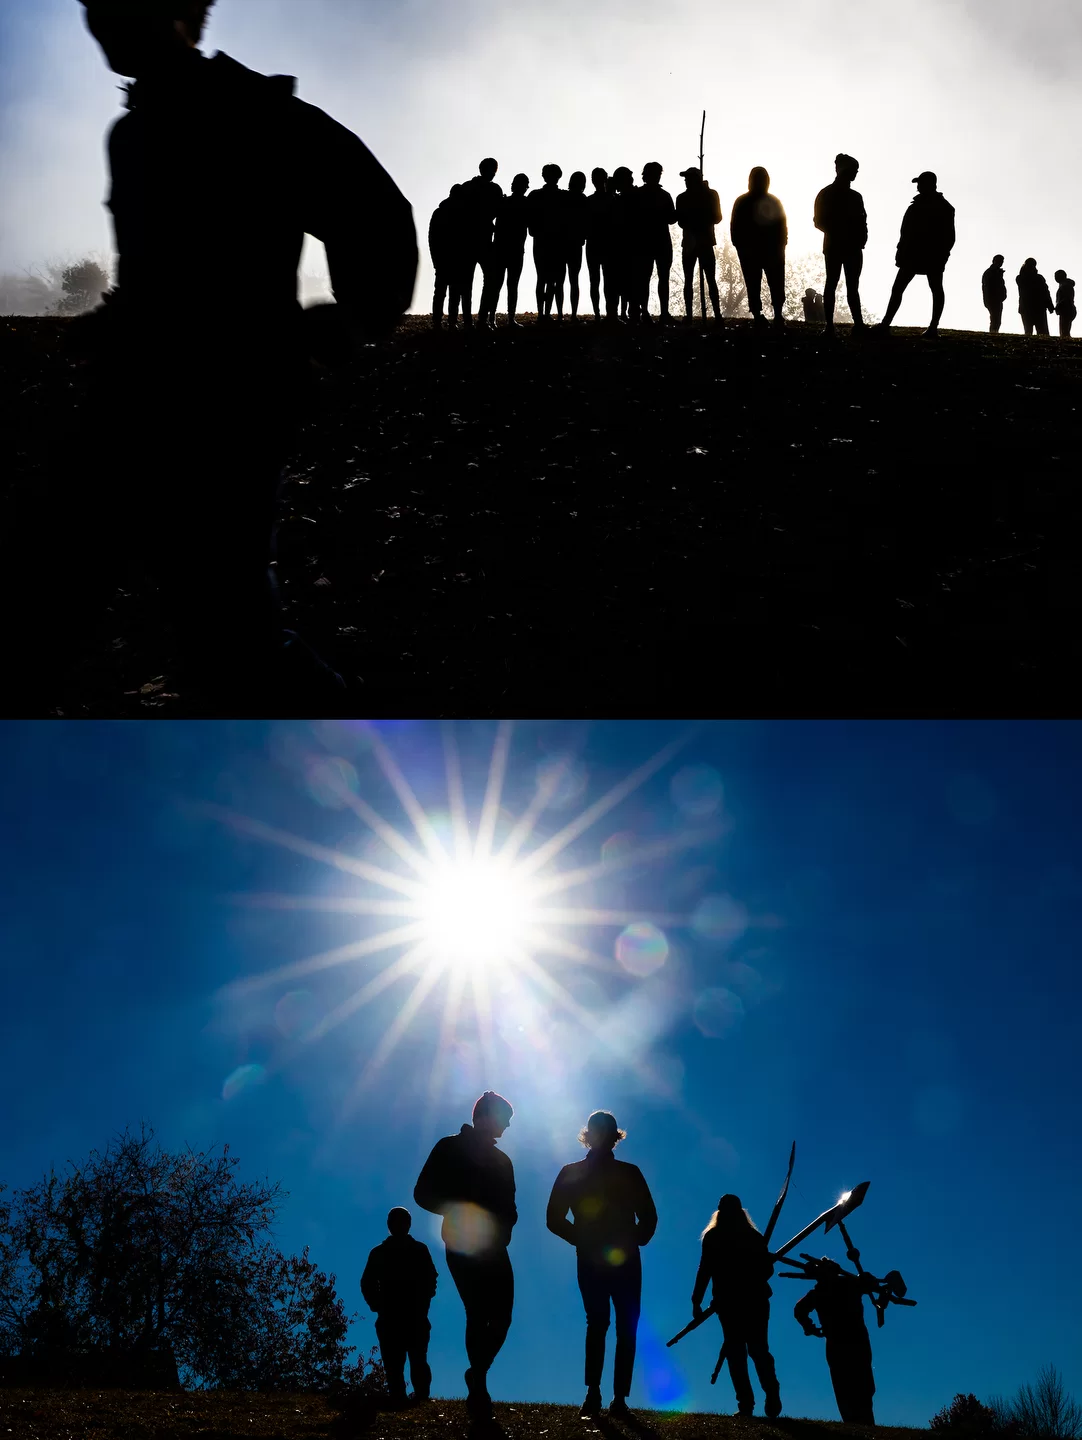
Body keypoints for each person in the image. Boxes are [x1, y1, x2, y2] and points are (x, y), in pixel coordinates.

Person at [31, 0, 416, 714]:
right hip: (133, 396)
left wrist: (353, 322)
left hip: (229, 408)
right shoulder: (137, 130)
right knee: (58, 595)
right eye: (94, 7)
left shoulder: (258, 116)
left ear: (182, 12)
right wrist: (119, 319)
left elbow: (377, 212)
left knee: (227, 634)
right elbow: (169, 268)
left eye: (125, 5)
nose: (106, 23)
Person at [546, 1111, 657, 1420]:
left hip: (615, 1258)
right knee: (605, 1325)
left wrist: (632, 1239)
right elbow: (553, 1219)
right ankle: (599, 1393)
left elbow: (649, 1217)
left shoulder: (626, 1172)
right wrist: (582, 1240)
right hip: (602, 1257)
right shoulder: (576, 1172)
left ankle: (613, 1397)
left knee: (613, 1325)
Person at [414, 1092, 517, 1422]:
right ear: (487, 1116)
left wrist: (504, 1228)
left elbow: (511, 1207)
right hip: (460, 1242)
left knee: (502, 1316)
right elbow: (423, 1193)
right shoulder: (449, 1147)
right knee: (477, 1311)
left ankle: (477, 1372)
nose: (509, 1124)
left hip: (495, 1247)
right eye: (505, 1117)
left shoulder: (504, 1162)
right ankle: (480, 1387)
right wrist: (458, 1210)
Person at [691, 1193, 782, 1420]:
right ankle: (747, 1404)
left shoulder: (750, 1237)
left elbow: (766, 1270)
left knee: (754, 1350)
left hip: (751, 1301)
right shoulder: (723, 1237)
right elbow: (705, 1269)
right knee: (740, 1352)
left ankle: (766, 1396)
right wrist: (696, 1300)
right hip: (730, 1303)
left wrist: (697, 1300)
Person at [361, 1208, 438, 1406]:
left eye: (402, 1221)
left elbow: (431, 1280)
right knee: (395, 1362)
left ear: (408, 1224)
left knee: (416, 1360)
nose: (398, 1225)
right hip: (392, 1316)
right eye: (394, 1221)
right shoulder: (379, 1253)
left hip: (413, 1315)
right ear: (389, 1225)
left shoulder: (419, 1250)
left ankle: (419, 1396)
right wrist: (378, 1306)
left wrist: (423, 1305)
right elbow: (367, 1283)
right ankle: (400, 1396)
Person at [793, 1257, 879, 1425]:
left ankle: (862, 1422)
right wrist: (809, 1327)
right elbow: (799, 1310)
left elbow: (871, 1283)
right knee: (848, 1384)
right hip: (846, 1340)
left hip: (850, 1340)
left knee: (857, 1383)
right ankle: (857, 1423)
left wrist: (809, 1327)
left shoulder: (844, 1285)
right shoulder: (842, 1286)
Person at [877, 171, 956, 338]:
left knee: (925, 288)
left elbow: (949, 236)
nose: (918, 186)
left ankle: (930, 327)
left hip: (924, 255)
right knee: (906, 288)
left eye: (920, 183)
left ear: (928, 184)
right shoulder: (938, 206)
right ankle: (888, 323)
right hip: (916, 254)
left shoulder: (941, 207)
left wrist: (943, 254)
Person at [813, 154, 867, 338]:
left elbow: (862, 221)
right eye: (854, 170)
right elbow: (819, 221)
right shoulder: (835, 194)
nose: (856, 174)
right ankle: (838, 325)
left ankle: (846, 325)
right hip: (841, 246)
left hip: (842, 246)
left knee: (840, 285)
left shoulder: (830, 193)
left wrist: (861, 239)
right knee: (839, 284)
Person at [730, 167, 788, 330]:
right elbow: (782, 227)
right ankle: (771, 314)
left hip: (760, 251)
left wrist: (781, 244)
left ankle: (766, 315)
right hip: (765, 251)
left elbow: (735, 228)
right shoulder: (773, 201)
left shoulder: (742, 201)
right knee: (769, 283)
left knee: (758, 283)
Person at [477, 173, 530, 328]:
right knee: (511, 285)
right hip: (515, 250)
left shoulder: (504, 202)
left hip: (501, 248)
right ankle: (508, 319)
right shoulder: (525, 204)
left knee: (496, 285)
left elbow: (490, 219)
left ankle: (492, 318)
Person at [674, 166, 722, 322]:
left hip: (704, 241)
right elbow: (680, 221)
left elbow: (717, 217)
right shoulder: (682, 198)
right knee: (689, 279)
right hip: (690, 242)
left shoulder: (710, 195)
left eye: (689, 179)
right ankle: (689, 315)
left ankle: (717, 314)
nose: (686, 181)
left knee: (710, 279)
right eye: (686, 179)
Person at [460, 157, 503, 328]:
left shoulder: (467, 187)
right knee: (490, 279)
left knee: (467, 282)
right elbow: (498, 211)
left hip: (468, 239)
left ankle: (469, 321)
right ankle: (482, 319)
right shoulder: (494, 189)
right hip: (484, 239)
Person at [635, 162, 676, 322]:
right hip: (659, 241)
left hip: (646, 241)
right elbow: (672, 219)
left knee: (646, 277)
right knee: (659, 277)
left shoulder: (638, 194)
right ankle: (660, 313)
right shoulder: (663, 195)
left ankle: (646, 312)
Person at [527, 164, 567, 320]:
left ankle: (543, 313)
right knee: (550, 279)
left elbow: (530, 221)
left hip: (543, 241)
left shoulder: (535, 195)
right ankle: (546, 313)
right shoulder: (563, 196)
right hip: (554, 241)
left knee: (543, 278)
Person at [585, 168, 618, 321]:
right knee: (606, 281)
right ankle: (608, 314)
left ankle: (601, 314)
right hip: (606, 244)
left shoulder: (590, 201)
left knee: (598, 281)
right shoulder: (612, 200)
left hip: (597, 244)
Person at [431, 184, 465, 329]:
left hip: (442, 258)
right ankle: (452, 322)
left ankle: (438, 322)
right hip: (454, 258)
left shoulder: (439, 212)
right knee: (453, 292)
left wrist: (435, 259)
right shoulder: (461, 214)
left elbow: (432, 238)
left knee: (441, 292)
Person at [609, 166, 637, 320]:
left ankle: (626, 313)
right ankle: (627, 314)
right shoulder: (631, 197)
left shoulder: (620, 200)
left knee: (625, 281)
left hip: (625, 245)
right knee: (627, 282)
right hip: (626, 245)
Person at [562, 171, 589, 319]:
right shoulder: (583, 199)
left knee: (559, 280)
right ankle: (573, 314)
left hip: (563, 242)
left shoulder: (564, 197)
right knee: (574, 279)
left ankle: (559, 314)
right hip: (576, 243)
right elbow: (586, 222)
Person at [1016, 258, 1054, 336]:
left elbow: (1045, 292)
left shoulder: (1020, 278)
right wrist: (1050, 305)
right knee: (1042, 331)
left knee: (1028, 331)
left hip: (1026, 306)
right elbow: (1046, 292)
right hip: (1038, 307)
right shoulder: (1039, 278)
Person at [982, 254, 1007, 334]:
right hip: (993, 299)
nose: (1001, 263)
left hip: (996, 299)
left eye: (1002, 261)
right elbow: (989, 286)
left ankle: (994, 333)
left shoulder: (994, 272)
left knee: (996, 319)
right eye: (1000, 261)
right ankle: (993, 333)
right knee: (995, 319)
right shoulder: (991, 272)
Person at [1055, 269, 1077, 339]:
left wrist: (1058, 306)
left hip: (1066, 309)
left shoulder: (1065, 286)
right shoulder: (1065, 285)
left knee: (1064, 331)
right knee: (1065, 331)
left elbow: (1066, 298)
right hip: (1067, 309)